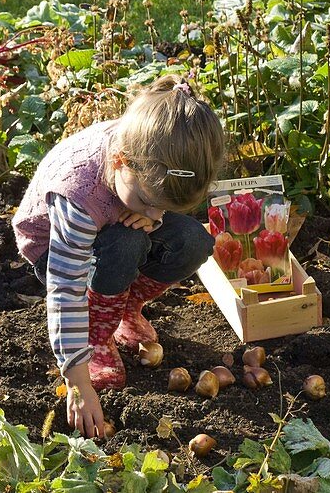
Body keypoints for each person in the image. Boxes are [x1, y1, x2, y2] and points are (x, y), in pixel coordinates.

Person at [13, 75, 226, 438]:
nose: (156, 217)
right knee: (126, 243)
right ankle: (97, 333)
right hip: (56, 250)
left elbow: (155, 211)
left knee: (194, 241)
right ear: (120, 161)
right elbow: (65, 289)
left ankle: (124, 307)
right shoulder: (78, 195)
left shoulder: (155, 158)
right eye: (149, 204)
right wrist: (77, 382)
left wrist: (147, 211)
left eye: (164, 209)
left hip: (113, 221)